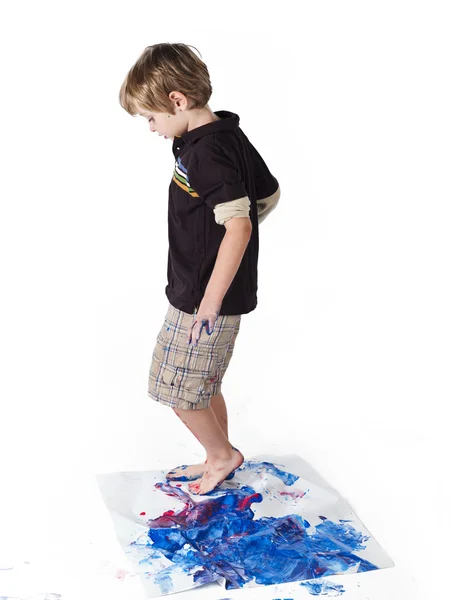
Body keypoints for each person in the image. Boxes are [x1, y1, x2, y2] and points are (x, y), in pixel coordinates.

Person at [119, 43, 280, 495]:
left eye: (151, 117)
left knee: (175, 389)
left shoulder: (205, 153)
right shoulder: (222, 134)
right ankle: (217, 455)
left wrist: (211, 295)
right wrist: (228, 236)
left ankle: (224, 455)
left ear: (177, 100)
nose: (151, 128)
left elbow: (241, 223)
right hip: (201, 289)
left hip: (203, 299)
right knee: (202, 385)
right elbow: (268, 193)